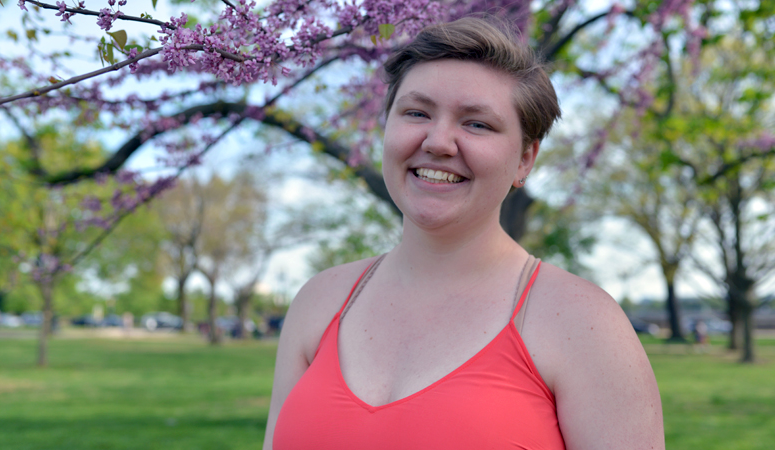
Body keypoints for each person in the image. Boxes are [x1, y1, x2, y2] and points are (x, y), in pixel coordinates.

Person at [263, 17, 664, 449]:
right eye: (416, 113)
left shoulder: (585, 324)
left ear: (525, 159)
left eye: (477, 124)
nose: (438, 142)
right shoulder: (319, 302)